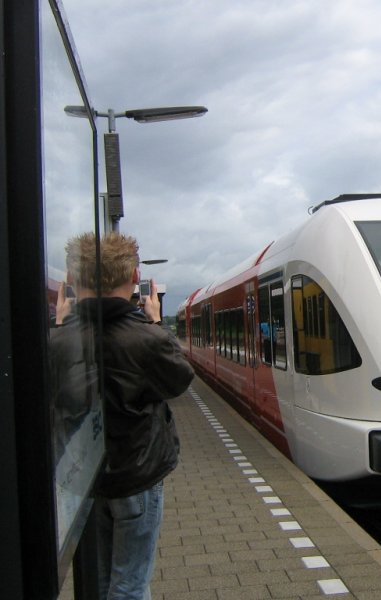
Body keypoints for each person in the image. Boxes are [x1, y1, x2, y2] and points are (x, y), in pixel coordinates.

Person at [58, 232, 194, 600]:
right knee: (131, 583)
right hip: (137, 475)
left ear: (71, 281)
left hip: (85, 477)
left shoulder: (56, 341)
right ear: (136, 277)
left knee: (100, 580)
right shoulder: (146, 337)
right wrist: (153, 323)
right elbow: (179, 381)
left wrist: (61, 325)